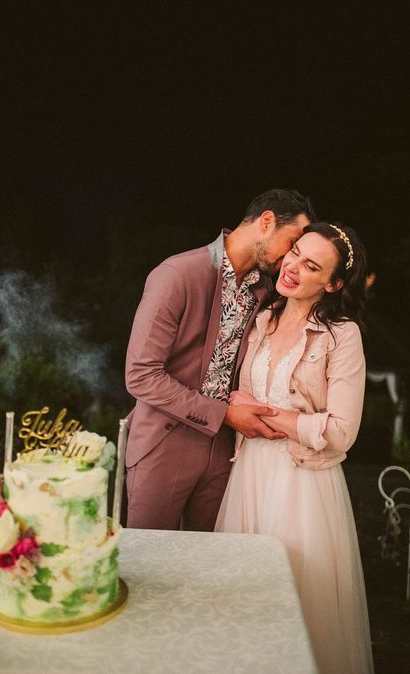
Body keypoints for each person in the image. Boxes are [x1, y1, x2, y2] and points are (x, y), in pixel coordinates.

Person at [215, 223, 374, 674]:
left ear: (333, 283)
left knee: (300, 604)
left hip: (303, 483)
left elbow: (342, 430)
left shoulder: (343, 336)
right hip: (247, 475)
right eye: (295, 253)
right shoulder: (261, 320)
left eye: (311, 266)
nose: (293, 268)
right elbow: (233, 393)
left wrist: (265, 415)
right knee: (244, 602)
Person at [123, 189, 314, 531]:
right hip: (165, 444)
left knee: (212, 569)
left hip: (228, 452)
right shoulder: (178, 274)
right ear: (267, 222)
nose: (291, 258)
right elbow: (141, 375)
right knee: (148, 564)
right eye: (293, 242)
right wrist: (224, 413)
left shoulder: (265, 292)